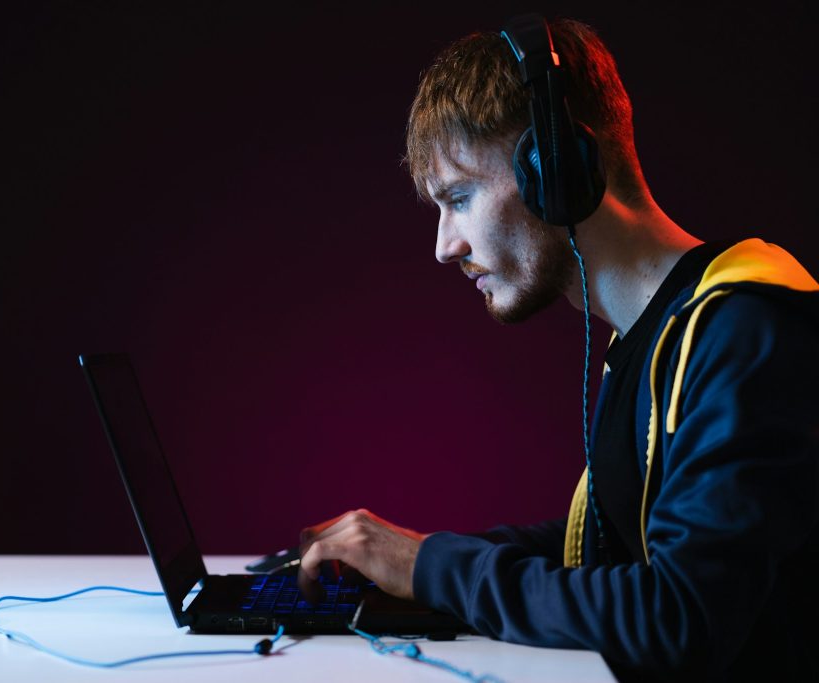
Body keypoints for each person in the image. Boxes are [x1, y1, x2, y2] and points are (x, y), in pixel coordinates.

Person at [295, 14, 819, 682]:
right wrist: (405, 559)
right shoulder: (658, 337)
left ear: (558, 169)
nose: (443, 245)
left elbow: (681, 615)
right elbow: (607, 548)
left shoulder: (746, 332)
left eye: (459, 197)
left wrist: (432, 568)